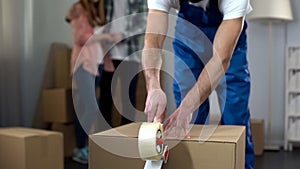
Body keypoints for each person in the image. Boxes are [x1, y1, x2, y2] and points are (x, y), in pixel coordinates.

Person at [141, 0, 255, 169]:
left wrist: (188, 106)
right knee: (189, 120)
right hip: (188, 34)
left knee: (235, 114)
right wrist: (153, 85)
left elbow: (221, 59)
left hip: (229, 37)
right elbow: (153, 41)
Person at [66, 0, 119, 164]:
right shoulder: (78, 8)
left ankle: (84, 147)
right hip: (84, 65)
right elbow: (81, 37)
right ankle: (80, 148)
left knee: (86, 107)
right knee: (90, 107)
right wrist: (106, 36)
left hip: (98, 66)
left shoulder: (98, 12)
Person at [97, 0, 147, 126]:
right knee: (105, 97)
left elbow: (144, 23)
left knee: (128, 100)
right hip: (109, 55)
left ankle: (126, 138)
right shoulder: (106, 2)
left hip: (130, 56)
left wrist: (123, 35)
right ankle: (104, 136)